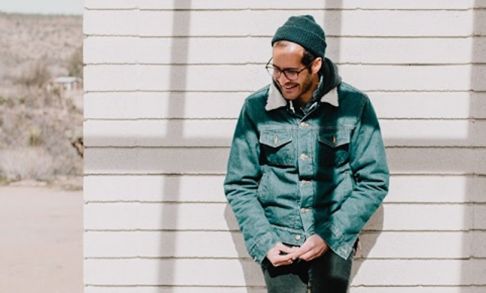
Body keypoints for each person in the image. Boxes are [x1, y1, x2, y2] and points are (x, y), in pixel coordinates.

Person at [224, 15, 389, 292]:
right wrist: (264, 241)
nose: (281, 79)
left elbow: (374, 181)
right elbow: (239, 183)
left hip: (332, 237)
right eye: (275, 69)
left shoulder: (354, 106)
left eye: (291, 71)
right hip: (278, 238)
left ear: (315, 65)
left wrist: (330, 235)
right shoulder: (255, 108)